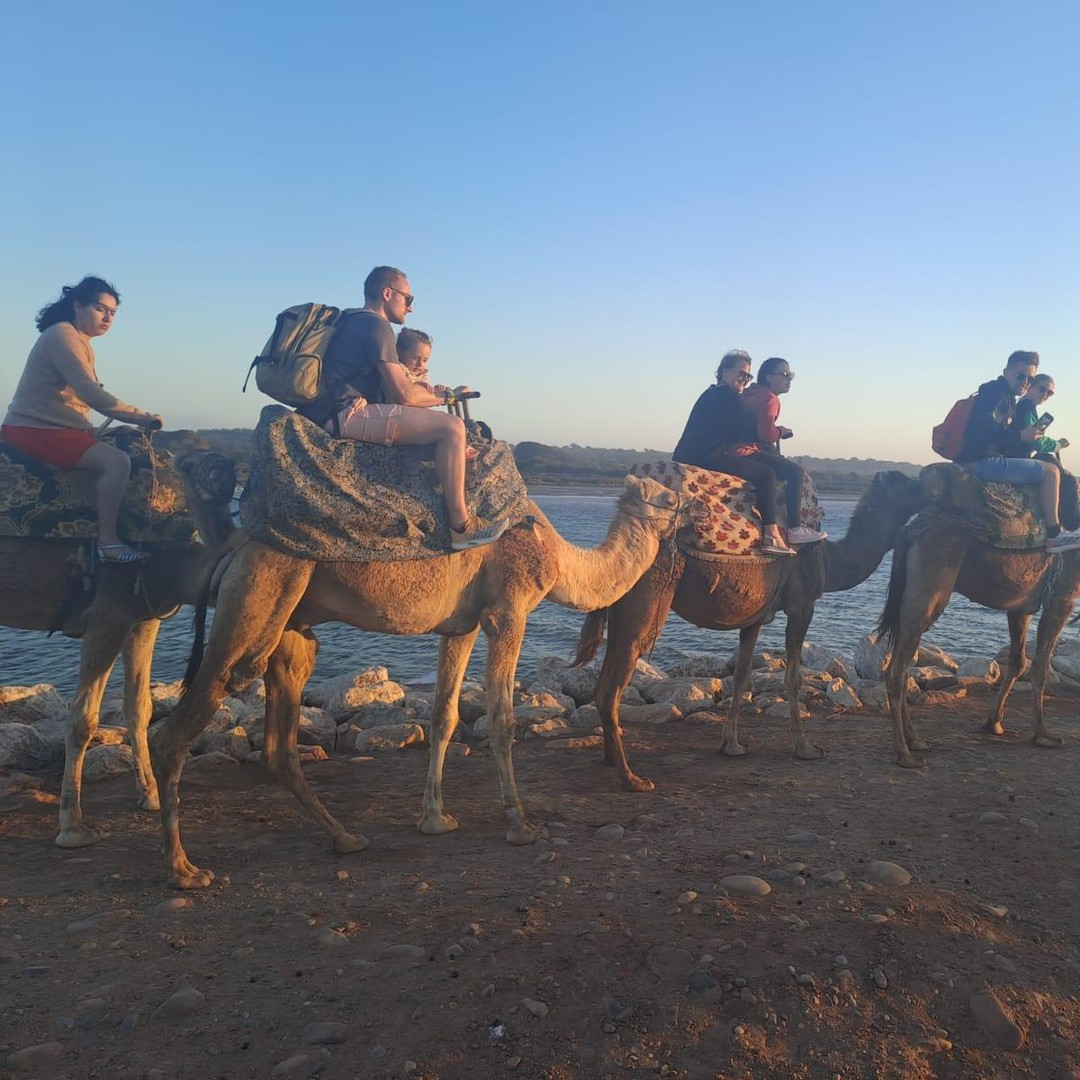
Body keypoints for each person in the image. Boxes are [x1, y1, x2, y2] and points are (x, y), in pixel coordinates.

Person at [295, 267, 508, 551]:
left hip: (329, 409)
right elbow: (404, 394)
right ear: (387, 294)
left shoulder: (351, 318)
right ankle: (461, 527)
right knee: (452, 428)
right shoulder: (377, 326)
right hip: (342, 414)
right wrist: (448, 397)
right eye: (407, 298)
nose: (411, 307)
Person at [2, 276, 164, 564]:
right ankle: (109, 543)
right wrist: (143, 417)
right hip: (36, 430)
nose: (108, 317)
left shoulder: (78, 340)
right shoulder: (62, 335)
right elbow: (91, 394)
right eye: (101, 309)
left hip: (59, 428)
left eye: (113, 313)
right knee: (117, 462)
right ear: (77, 305)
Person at [672, 350, 799, 556]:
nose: (744, 380)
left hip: (694, 454)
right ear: (724, 372)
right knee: (766, 474)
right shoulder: (727, 396)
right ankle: (771, 534)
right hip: (706, 457)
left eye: (747, 376)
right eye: (740, 373)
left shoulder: (713, 393)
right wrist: (780, 432)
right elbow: (755, 431)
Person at [955, 350, 1080, 552]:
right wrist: (1021, 436)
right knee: (1051, 472)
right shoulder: (997, 395)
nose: (1025, 382)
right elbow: (984, 431)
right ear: (1006, 372)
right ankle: (1055, 534)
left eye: (1030, 379)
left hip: (979, 458)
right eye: (1020, 376)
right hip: (981, 462)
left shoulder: (1005, 396)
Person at [739, 357, 828, 547]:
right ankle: (795, 529)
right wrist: (782, 431)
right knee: (795, 472)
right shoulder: (770, 399)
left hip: (730, 448)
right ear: (769, 377)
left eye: (791, 375)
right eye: (785, 374)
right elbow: (766, 434)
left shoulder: (749, 393)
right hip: (744, 450)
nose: (789, 380)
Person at [1015, 374, 1070, 460]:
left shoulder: (1020, 405)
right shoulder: (1027, 407)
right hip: (1018, 459)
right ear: (1029, 387)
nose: (1045, 394)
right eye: (1042, 389)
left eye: (1049, 393)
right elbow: (1037, 442)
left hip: (1015, 457)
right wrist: (1058, 445)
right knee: (1052, 465)